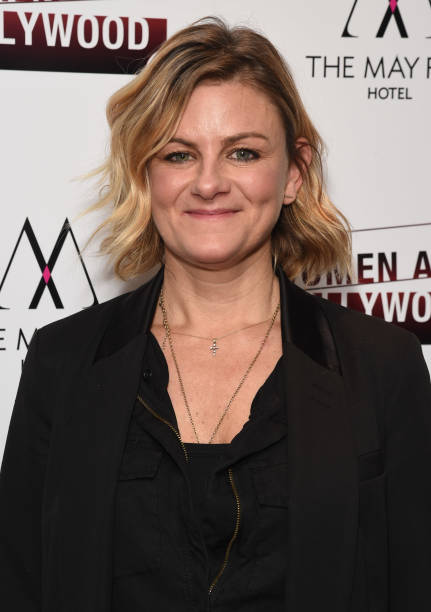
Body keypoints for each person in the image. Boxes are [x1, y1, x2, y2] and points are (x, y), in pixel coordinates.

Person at [0, 16, 430, 612]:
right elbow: (20, 583)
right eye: (179, 154)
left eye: (242, 152)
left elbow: (414, 581)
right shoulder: (63, 362)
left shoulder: (381, 365)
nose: (208, 183)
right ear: (145, 173)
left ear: (294, 173)